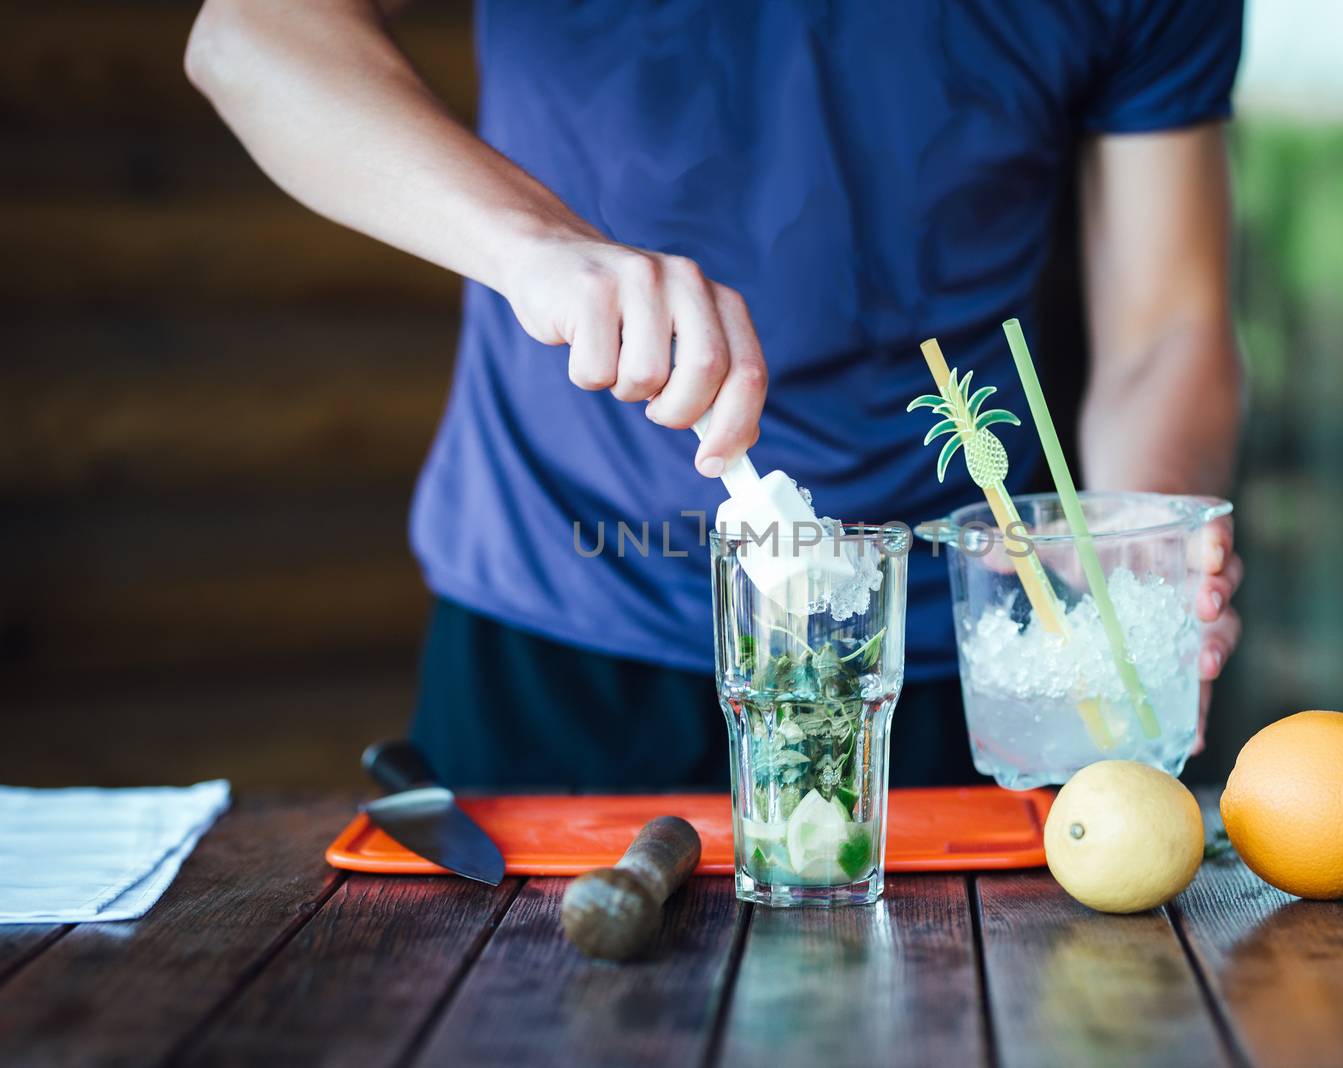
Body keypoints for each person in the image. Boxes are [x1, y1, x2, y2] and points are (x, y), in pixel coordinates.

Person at [185, 0, 1245, 789]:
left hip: (953, 674)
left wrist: (1132, 548)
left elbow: (1170, 327)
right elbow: (250, 35)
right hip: (562, 621)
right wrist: (541, 249)